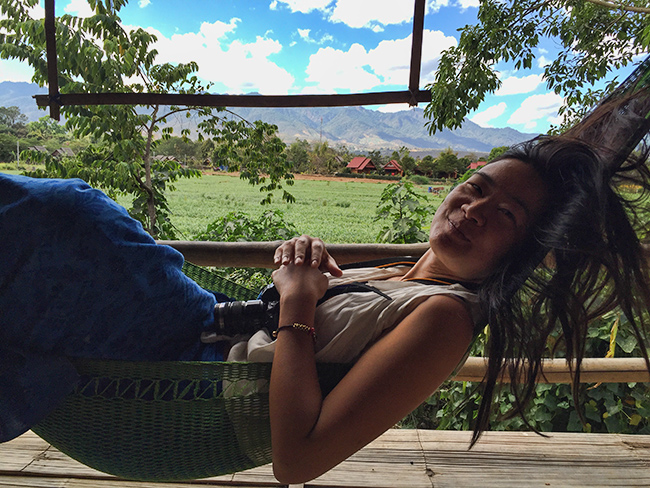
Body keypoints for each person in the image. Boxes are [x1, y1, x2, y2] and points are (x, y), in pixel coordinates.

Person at [0, 135, 649, 484]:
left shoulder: (445, 318)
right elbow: (310, 311)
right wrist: (302, 266)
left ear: (526, 252)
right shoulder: (403, 270)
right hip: (199, 326)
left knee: (67, 214)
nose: (473, 209)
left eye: (505, 214)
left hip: (185, 375)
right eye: (475, 188)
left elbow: (299, 462)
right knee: (57, 228)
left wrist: (299, 301)